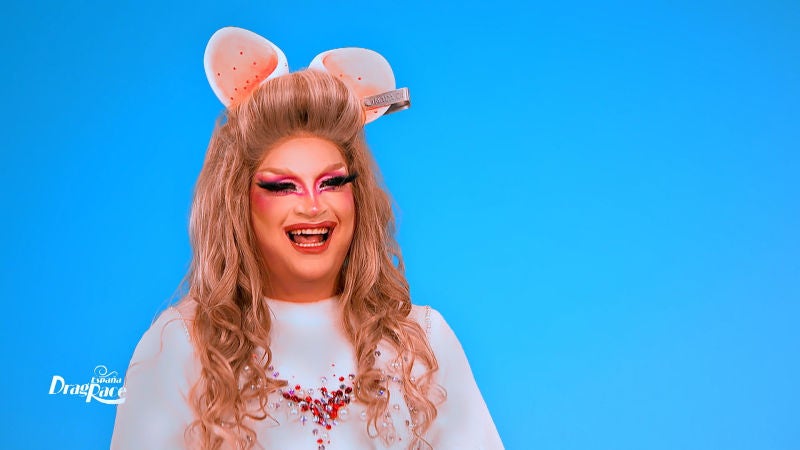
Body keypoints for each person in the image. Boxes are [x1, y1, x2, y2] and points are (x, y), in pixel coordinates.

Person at [111, 27, 503, 450]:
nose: (313, 207)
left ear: (358, 197)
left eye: (331, 183)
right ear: (237, 202)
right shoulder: (182, 345)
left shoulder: (422, 341)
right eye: (283, 187)